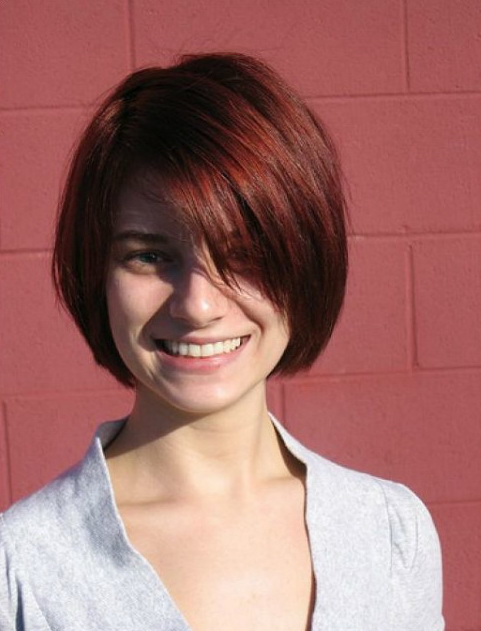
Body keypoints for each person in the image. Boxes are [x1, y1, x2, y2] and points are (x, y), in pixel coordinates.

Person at [0, 53, 443, 630]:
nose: (198, 305)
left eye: (243, 255)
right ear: (96, 274)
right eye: (149, 256)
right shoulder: (21, 569)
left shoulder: (392, 532)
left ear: (305, 260)